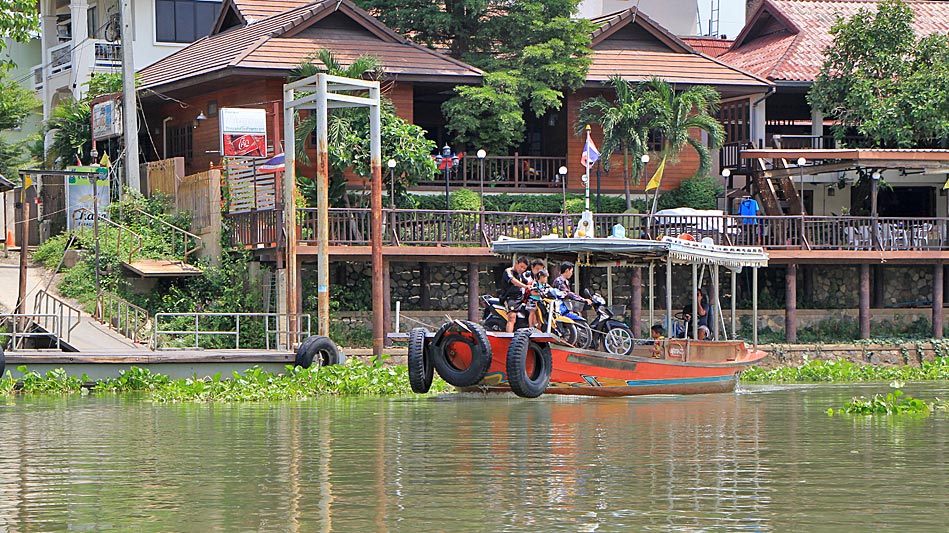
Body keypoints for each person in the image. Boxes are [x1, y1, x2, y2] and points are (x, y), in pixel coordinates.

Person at [500, 257, 532, 333]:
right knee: (512, 317)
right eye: (521, 267)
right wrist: (525, 286)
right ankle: (509, 337)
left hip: (520, 298)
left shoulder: (520, 275)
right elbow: (513, 281)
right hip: (510, 298)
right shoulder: (508, 271)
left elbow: (528, 282)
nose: (522, 269)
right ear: (516, 263)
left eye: (524, 268)